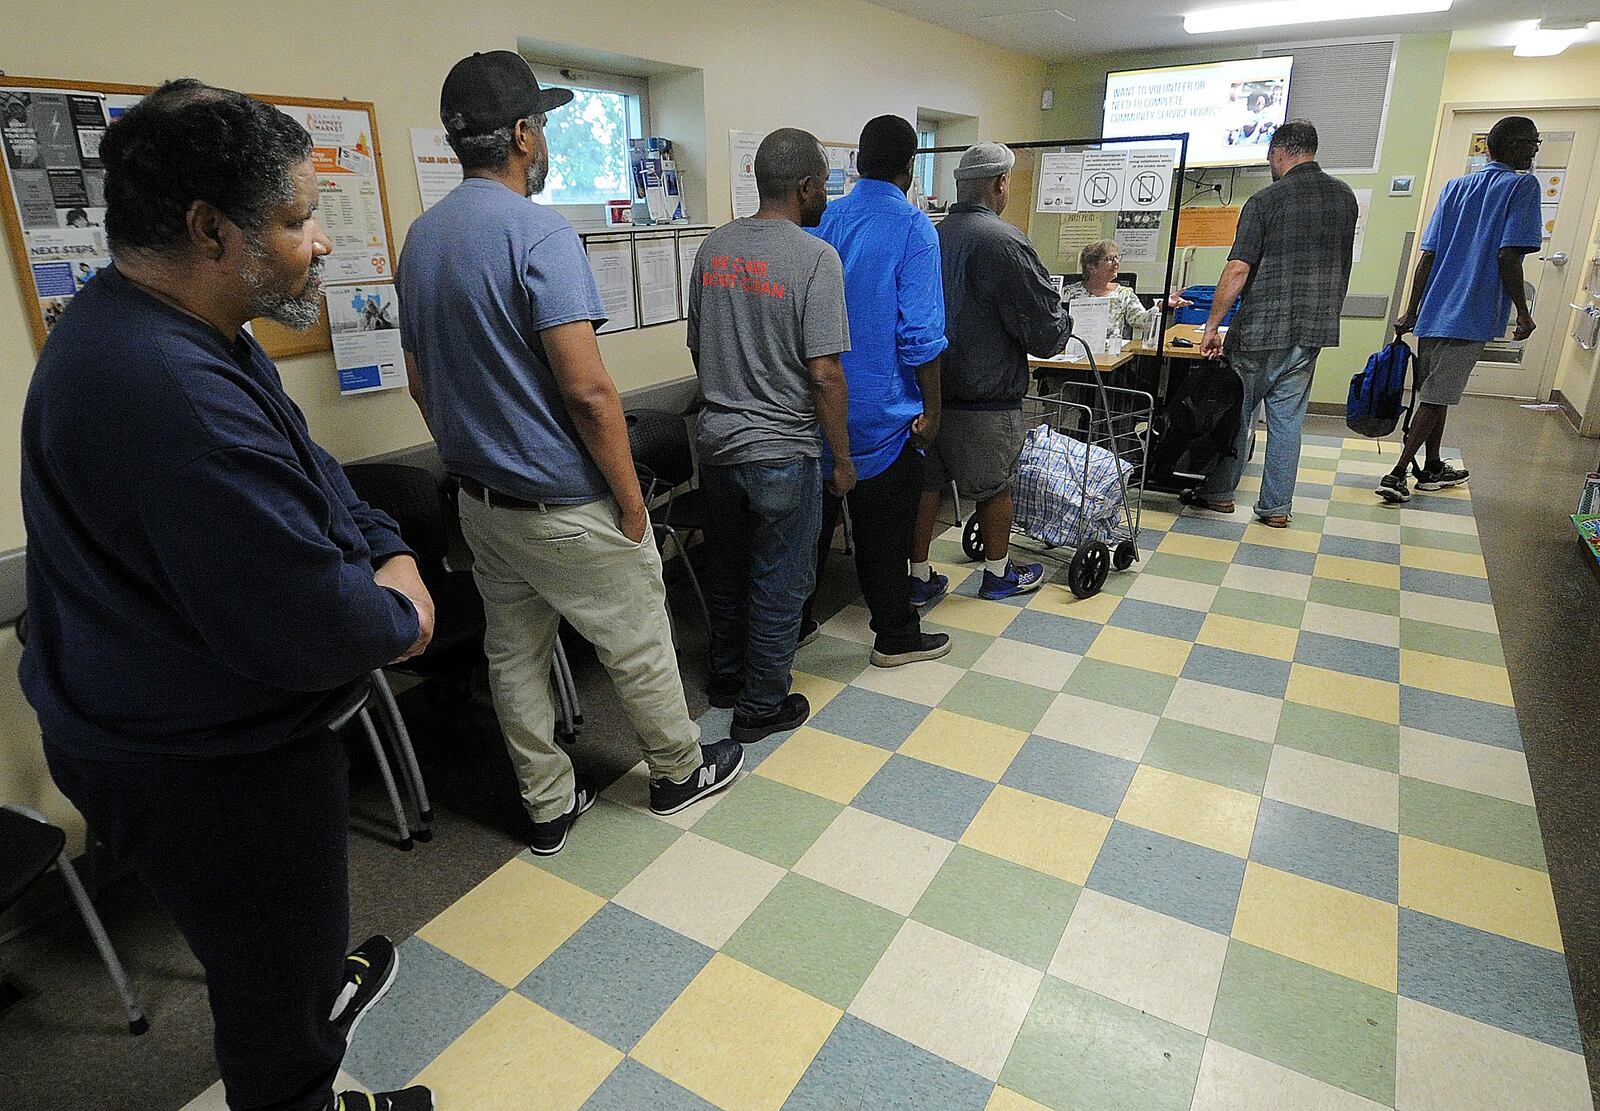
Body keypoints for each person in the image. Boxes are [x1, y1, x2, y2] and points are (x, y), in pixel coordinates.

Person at [19, 80, 435, 1111]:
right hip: (207, 763)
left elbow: (315, 475)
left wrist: (385, 543)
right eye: (297, 221)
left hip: (184, 721)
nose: (320, 243)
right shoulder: (162, 386)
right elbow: (312, 623)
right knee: (272, 990)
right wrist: (403, 607)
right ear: (211, 229)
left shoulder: (191, 330)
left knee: (277, 963)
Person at [399, 51, 741, 851]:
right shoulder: (539, 234)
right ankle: (677, 770)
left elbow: (420, 380)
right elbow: (589, 394)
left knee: (513, 656)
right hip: (565, 501)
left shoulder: (420, 240)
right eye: (543, 124)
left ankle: (548, 804)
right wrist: (629, 503)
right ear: (522, 135)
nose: (545, 138)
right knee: (638, 636)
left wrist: (472, 446)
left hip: (482, 505)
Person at [688, 128, 853, 741]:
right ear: (806, 187)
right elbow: (826, 374)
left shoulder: (713, 250)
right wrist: (842, 459)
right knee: (781, 580)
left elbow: (700, 347)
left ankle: (728, 678)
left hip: (717, 447)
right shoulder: (815, 258)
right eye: (825, 183)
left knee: (727, 570)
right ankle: (760, 706)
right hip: (784, 451)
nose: (827, 194)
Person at [796, 114, 952, 664]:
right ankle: (894, 635)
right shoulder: (914, 229)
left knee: (809, 532)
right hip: (884, 415)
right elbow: (921, 333)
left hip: (818, 408)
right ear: (910, 168)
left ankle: (797, 625)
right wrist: (932, 410)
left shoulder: (821, 219)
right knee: (883, 536)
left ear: (857, 162)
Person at [909, 142, 1073, 600]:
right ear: (1001, 184)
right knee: (995, 487)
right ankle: (999, 574)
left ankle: (918, 578)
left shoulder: (928, 236)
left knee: (927, 488)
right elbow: (1044, 330)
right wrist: (1064, 324)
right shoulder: (1004, 241)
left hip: (925, 395)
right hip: (985, 399)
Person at [1187, 120, 1357, 527]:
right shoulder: (1344, 198)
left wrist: (1212, 327)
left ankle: (1220, 494)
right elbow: (1341, 264)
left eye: (1269, 158)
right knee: (1287, 420)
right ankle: (1276, 508)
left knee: (1238, 413)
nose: (1270, 165)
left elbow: (1238, 269)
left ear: (1280, 153)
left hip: (1262, 329)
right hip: (1313, 328)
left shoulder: (1266, 200)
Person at [1379, 115, 1543, 503]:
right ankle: (1398, 472)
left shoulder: (1455, 187)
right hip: (1472, 311)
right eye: (1533, 143)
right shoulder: (1522, 186)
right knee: (1437, 396)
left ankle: (1433, 466)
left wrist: (1411, 308)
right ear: (1517, 146)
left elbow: (1428, 256)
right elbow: (1508, 255)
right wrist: (1522, 311)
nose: (1536, 150)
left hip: (1435, 307)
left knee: (1437, 392)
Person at [1064, 239, 1191, 344]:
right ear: (1091, 267)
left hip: (1110, 355)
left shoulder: (1124, 294)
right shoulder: (1069, 293)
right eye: (1110, 259)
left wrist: (1162, 305)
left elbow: (1141, 321)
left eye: (1117, 258)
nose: (1116, 263)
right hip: (1073, 351)